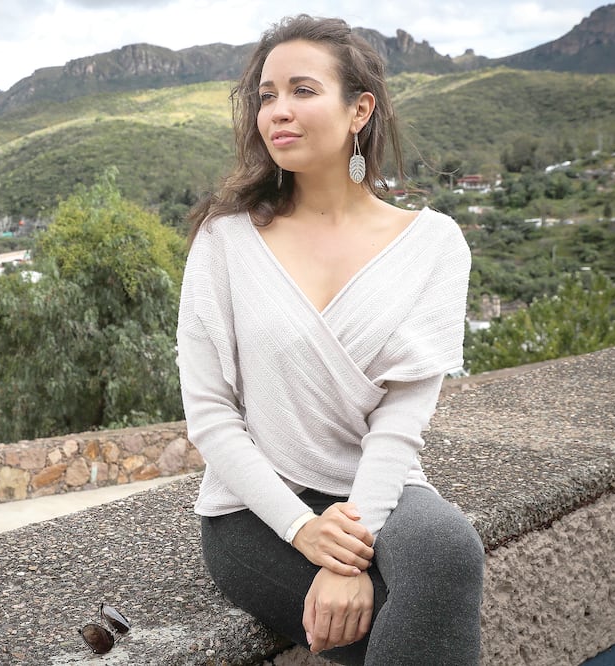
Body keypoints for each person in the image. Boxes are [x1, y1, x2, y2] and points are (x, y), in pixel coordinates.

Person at [176, 14, 484, 665]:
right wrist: (305, 531)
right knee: (396, 623)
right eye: (266, 96)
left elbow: (403, 414)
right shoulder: (223, 240)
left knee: (448, 550)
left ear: (359, 110)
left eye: (302, 90)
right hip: (256, 512)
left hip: (381, 487)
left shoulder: (433, 245)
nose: (277, 112)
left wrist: (349, 548)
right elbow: (209, 416)